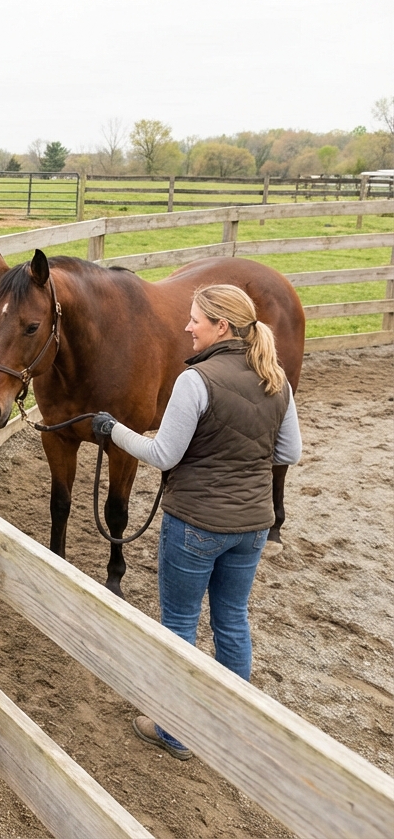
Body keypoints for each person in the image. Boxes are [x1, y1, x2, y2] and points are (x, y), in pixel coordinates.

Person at [91, 284, 302, 761]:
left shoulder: (197, 380)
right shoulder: (276, 377)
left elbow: (163, 453)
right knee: (232, 620)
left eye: (195, 320)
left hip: (196, 526)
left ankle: (177, 730)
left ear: (221, 326)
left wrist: (112, 430)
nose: (187, 327)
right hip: (251, 527)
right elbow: (290, 451)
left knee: (181, 623)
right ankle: (233, 722)